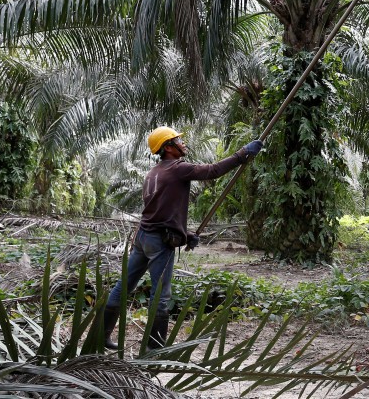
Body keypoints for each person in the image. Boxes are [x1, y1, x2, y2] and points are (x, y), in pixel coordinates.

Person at [100, 126, 263, 350]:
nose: (183, 144)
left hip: (142, 238)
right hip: (158, 242)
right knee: (161, 296)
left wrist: (184, 235)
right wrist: (242, 153)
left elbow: (160, 213)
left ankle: (102, 335)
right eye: (178, 141)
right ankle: (154, 349)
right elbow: (213, 171)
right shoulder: (178, 169)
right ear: (168, 147)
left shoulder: (153, 173)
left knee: (123, 286)